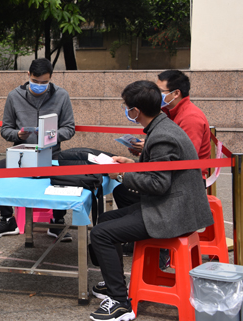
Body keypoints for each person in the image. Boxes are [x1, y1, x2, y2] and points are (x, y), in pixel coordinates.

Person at [88, 80, 213, 321]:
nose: (126, 111)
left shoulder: (162, 135)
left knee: (101, 234)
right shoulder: (163, 126)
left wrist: (121, 175)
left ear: (136, 111)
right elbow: (162, 169)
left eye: (127, 107)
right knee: (105, 220)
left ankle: (120, 304)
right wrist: (132, 165)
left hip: (173, 212)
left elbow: (158, 184)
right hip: (171, 204)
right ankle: (115, 284)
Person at [0, 58, 75, 241]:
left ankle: (57, 221)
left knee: (64, 176)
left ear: (51, 78)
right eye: (35, 81)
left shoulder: (61, 95)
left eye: (44, 82)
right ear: (28, 75)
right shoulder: (14, 96)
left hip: (52, 153)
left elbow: (69, 128)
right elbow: (5, 129)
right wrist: (18, 135)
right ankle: (7, 219)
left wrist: (51, 135)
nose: (39, 86)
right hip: (22, 154)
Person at [113, 70, 211, 209]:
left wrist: (124, 173)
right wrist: (138, 160)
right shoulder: (169, 112)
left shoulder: (190, 118)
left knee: (123, 196)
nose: (156, 95)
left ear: (176, 93)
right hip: (169, 177)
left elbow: (183, 157)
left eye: (160, 91)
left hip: (183, 184)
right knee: (122, 193)